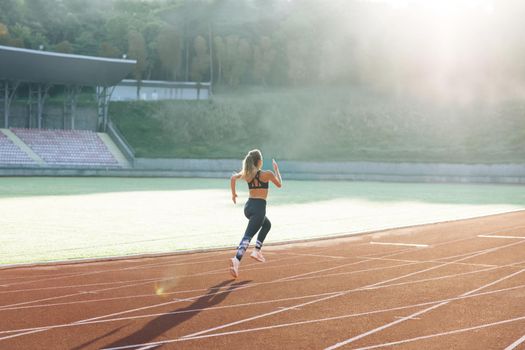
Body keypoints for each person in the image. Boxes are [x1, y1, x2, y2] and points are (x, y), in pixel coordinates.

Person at [229, 149, 282, 278]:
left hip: (248, 208)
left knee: (267, 225)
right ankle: (236, 260)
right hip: (259, 208)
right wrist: (277, 170)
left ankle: (257, 251)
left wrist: (234, 194)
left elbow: (233, 178)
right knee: (247, 236)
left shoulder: (248, 174)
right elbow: (279, 184)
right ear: (259, 162)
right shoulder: (267, 174)